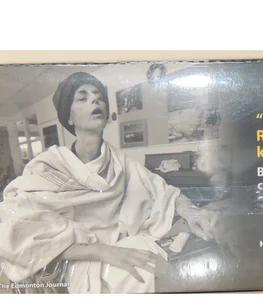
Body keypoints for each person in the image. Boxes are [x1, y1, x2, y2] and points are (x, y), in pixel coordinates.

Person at [0, 72, 215, 293]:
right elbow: (13, 230)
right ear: (69, 118)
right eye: (82, 97)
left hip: (123, 246)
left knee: (159, 267)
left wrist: (192, 213)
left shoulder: (121, 163)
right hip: (76, 258)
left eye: (99, 96)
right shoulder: (48, 166)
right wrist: (99, 251)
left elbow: (166, 192)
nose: (95, 99)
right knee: (139, 275)